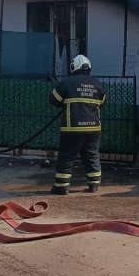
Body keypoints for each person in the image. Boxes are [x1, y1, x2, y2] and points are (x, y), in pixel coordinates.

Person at [49, 55, 105, 195]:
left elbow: (53, 99)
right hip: (94, 129)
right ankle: (94, 185)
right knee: (92, 156)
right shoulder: (97, 84)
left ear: (73, 67)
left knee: (67, 156)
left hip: (72, 128)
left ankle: (61, 187)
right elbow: (103, 102)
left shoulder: (67, 82)